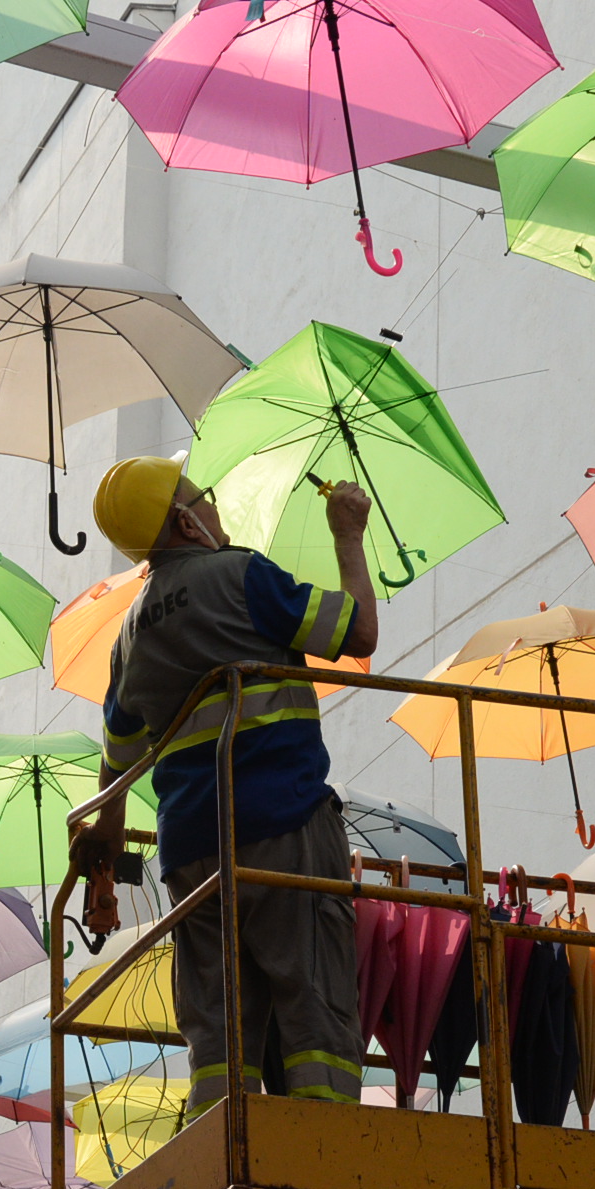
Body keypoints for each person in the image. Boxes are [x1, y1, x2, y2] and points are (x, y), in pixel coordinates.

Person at [78, 457, 380, 1114]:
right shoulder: (240, 575)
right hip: (284, 825)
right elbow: (358, 632)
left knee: (217, 1029)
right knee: (313, 999)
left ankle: (217, 1153)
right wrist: (348, 536)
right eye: (203, 498)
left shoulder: (129, 633)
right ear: (185, 521)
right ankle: (325, 1148)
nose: (214, 507)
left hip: (191, 852)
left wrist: (104, 833)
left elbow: (119, 756)